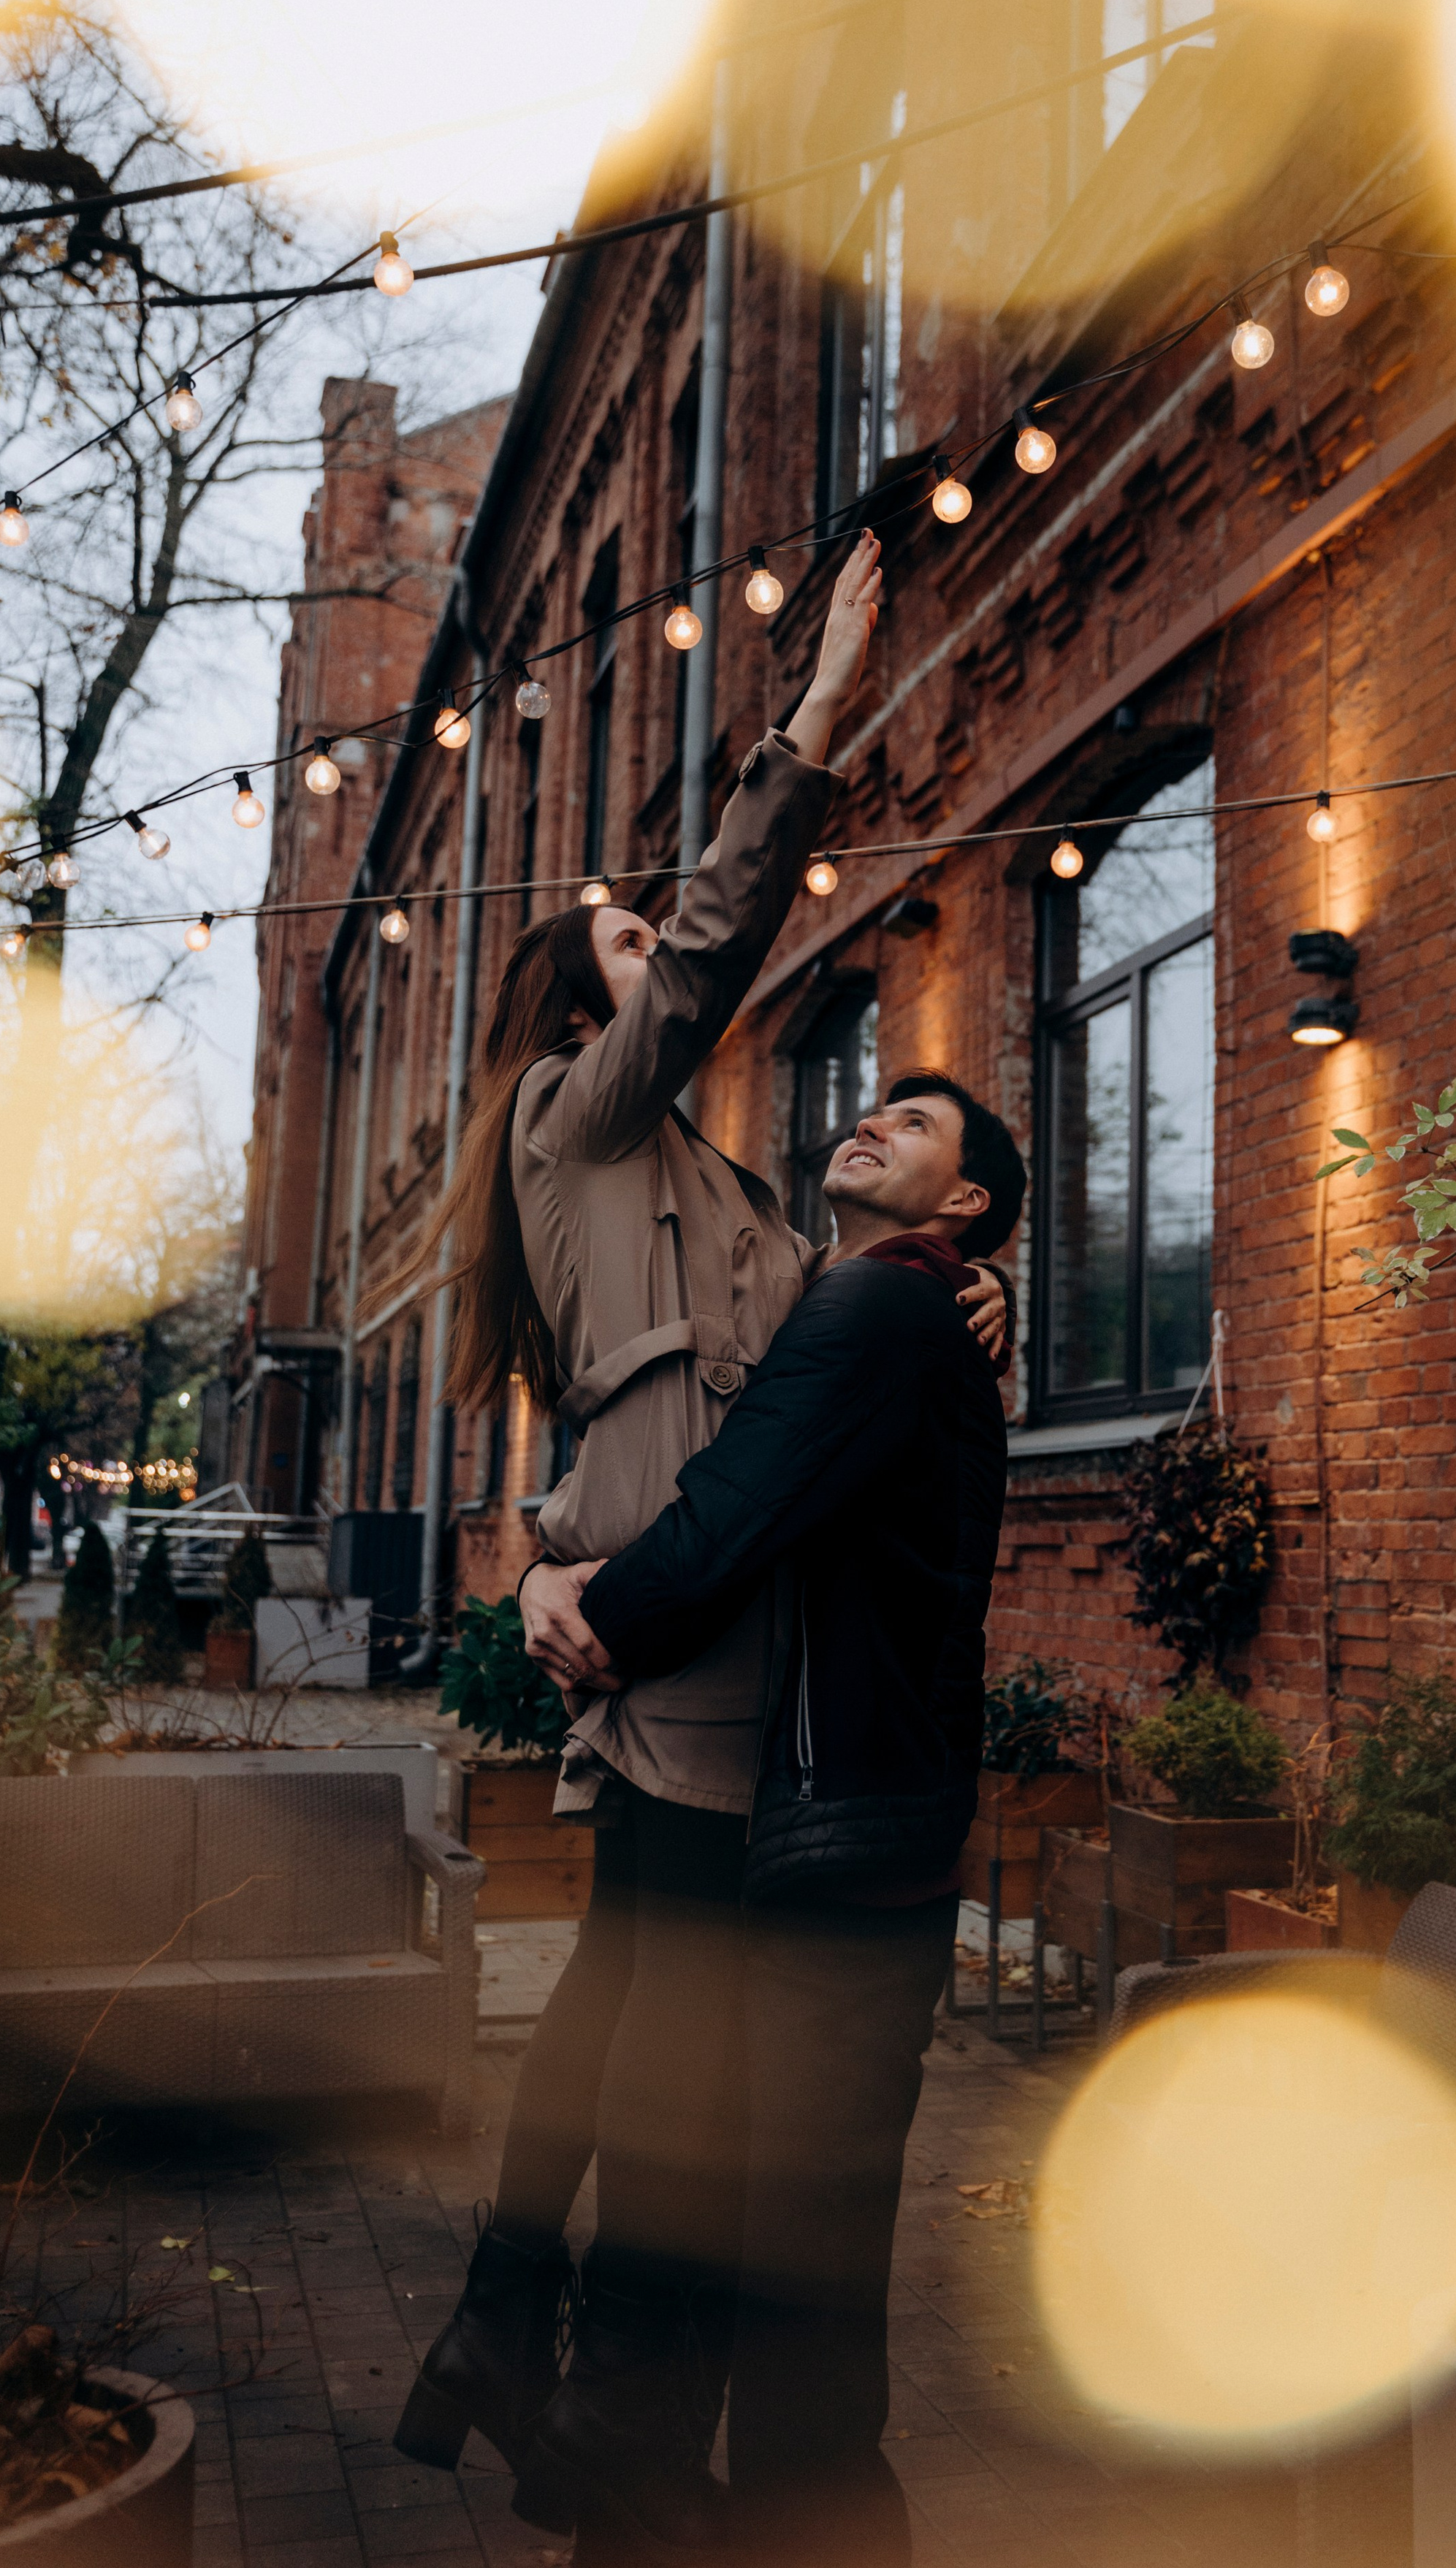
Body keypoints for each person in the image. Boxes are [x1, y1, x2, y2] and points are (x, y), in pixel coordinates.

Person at [392, 537, 1010, 2486]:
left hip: (747, 1653)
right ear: (593, 1002)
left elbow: (816, 1384)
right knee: (659, 2022)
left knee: (651, 2010)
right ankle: (573, 2384)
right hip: (682, 1654)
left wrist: (957, 1304)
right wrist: (813, 722)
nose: (666, 942)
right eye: (635, 937)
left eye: (659, 930)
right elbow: (728, 944)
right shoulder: (576, 1109)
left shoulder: (732, 1190)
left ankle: (547, 2363)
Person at [511, 1072, 1024, 2567]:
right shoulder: (895, 1308)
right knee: (783, 2258)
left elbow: (720, 1516)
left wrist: (581, 1612)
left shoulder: (875, 1314)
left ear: (965, 1203)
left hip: (844, 1873)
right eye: (866, 1107)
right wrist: (552, 1563)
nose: (867, 1120)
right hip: (861, 1856)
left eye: (913, 1127)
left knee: (799, 2292)